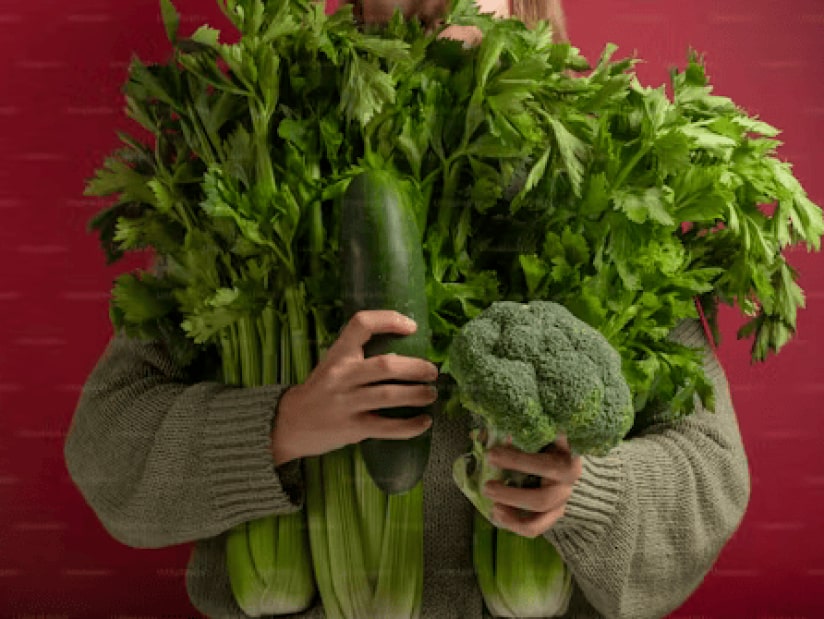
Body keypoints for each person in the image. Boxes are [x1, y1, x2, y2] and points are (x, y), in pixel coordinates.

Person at [63, 0, 751, 617]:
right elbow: (107, 438)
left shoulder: (607, 179)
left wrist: (585, 491)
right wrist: (280, 426)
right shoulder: (254, 163)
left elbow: (711, 470)